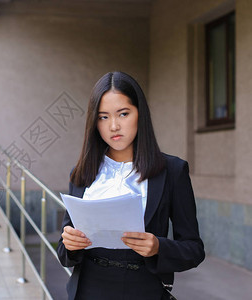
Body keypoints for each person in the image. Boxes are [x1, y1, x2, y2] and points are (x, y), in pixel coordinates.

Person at [57, 71, 205, 299]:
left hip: (144, 289)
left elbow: (194, 249)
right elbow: (64, 252)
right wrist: (70, 244)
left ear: (140, 114)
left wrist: (158, 247)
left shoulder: (172, 171)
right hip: (87, 289)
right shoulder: (82, 173)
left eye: (123, 114)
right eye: (103, 117)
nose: (113, 126)